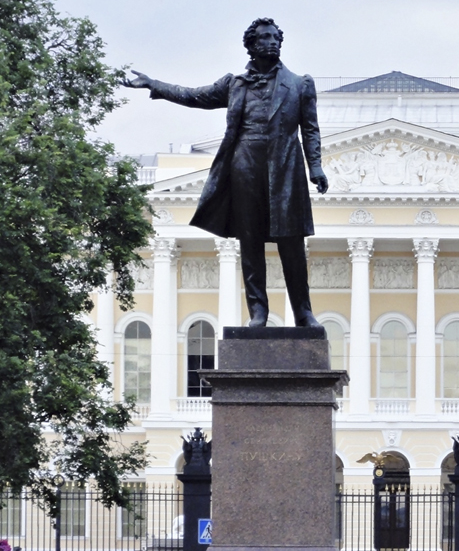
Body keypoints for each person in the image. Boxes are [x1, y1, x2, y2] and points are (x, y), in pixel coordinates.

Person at [124, 17, 328, 327]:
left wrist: (315, 166)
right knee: (250, 241)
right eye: (265, 37)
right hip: (244, 166)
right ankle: (258, 312)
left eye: (275, 37)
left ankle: (303, 312)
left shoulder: (300, 85)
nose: (272, 41)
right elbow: (194, 95)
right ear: (251, 45)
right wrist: (155, 85)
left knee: (292, 243)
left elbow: (310, 129)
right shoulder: (234, 85)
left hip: (285, 169)